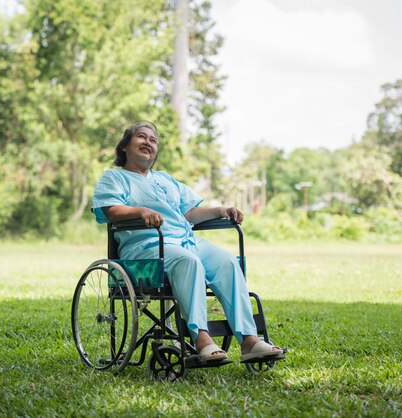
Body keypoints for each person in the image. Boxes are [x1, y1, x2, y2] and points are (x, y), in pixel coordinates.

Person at [92, 121, 283, 362]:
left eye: (153, 140)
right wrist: (141, 211)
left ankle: (249, 340)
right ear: (124, 147)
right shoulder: (115, 177)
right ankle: (201, 338)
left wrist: (222, 210)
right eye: (141, 137)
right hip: (147, 246)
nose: (148, 143)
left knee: (226, 261)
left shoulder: (165, 180)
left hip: (185, 240)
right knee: (188, 261)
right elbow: (110, 211)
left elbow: (190, 214)